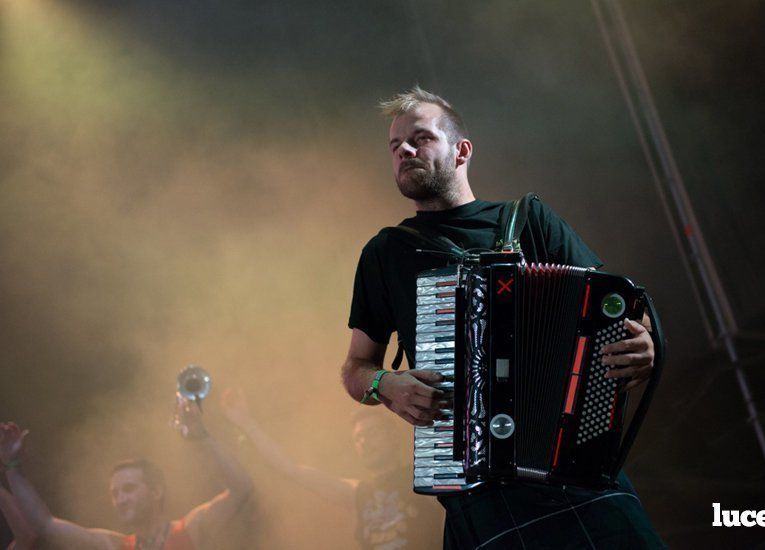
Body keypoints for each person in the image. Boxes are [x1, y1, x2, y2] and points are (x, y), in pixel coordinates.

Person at [341, 86, 665, 548]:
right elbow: (356, 369)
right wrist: (384, 385)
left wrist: (644, 343)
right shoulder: (386, 253)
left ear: (461, 151)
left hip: (575, 471)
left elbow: (614, 309)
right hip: (476, 490)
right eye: (395, 147)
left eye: (420, 138)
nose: (405, 151)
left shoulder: (527, 220)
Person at [0, 396, 253, 550]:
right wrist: (12, 467)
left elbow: (242, 488)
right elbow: (45, 525)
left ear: (156, 491)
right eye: (115, 493)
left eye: (129, 489)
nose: (120, 499)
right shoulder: (114, 545)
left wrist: (201, 437)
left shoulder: (192, 529)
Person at [220, 387, 443, 549]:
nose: (364, 442)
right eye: (358, 438)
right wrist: (247, 424)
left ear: (392, 438)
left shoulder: (421, 479)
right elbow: (292, 470)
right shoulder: (360, 495)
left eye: (372, 434)